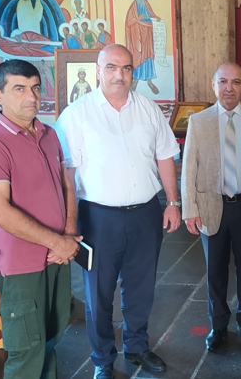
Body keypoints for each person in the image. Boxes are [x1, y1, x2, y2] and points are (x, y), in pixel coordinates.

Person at [56, 44, 181, 379]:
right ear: (98, 71)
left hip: (145, 213)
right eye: (111, 67)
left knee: (141, 286)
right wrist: (70, 224)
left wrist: (173, 202)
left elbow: (165, 156)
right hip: (98, 218)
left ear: (132, 73)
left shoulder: (148, 109)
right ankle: (102, 359)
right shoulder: (77, 113)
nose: (119, 75)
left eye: (126, 68)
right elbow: (67, 174)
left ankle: (137, 347)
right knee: (98, 292)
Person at [0, 59, 81, 378]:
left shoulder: (48, 134)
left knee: (52, 335)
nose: (31, 96)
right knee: (27, 350)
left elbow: (66, 185)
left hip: (56, 257)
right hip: (21, 266)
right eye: (19, 89)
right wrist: (57, 242)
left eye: (35, 87)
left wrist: (68, 234)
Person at [181, 63, 241, 353]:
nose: (228, 88)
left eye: (235, 82)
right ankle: (218, 325)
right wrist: (190, 209)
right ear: (213, 85)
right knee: (215, 271)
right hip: (212, 206)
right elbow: (188, 169)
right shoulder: (199, 122)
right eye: (222, 82)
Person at [125, 0, 161, 94]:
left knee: (148, 55)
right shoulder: (133, 6)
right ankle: (135, 80)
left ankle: (150, 82)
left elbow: (151, 15)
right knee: (138, 55)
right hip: (137, 35)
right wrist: (138, 18)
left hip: (147, 34)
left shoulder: (146, 3)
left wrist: (156, 18)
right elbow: (129, 22)